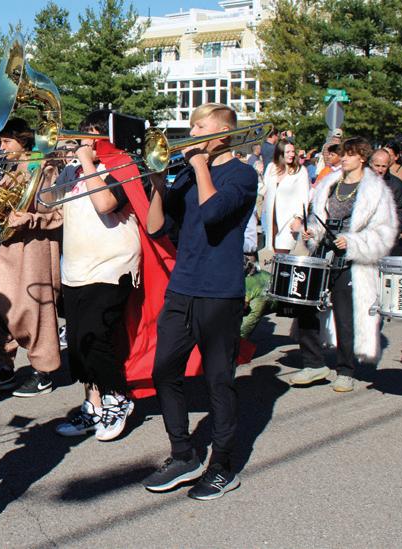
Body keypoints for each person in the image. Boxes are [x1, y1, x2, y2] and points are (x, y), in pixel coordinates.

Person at [143, 103, 257, 500]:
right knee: (164, 370)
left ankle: (223, 466)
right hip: (182, 287)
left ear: (222, 133)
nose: (190, 133)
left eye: (199, 127)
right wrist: (159, 185)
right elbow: (156, 228)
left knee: (218, 380)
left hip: (220, 292)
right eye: (191, 126)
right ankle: (183, 455)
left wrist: (199, 165)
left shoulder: (242, 175)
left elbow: (213, 214)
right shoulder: (190, 175)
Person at [49, 110, 141, 441]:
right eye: (82, 135)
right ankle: (94, 405)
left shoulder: (122, 166)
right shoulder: (72, 170)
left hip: (112, 265)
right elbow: (48, 204)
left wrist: (88, 163)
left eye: (91, 135)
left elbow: (105, 204)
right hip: (76, 267)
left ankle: (118, 397)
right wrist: (47, 170)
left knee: (96, 337)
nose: (83, 142)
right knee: (77, 344)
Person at [289, 138, 397, 392]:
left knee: (345, 315)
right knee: (304, 306)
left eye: (349, 154)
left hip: (352, 258)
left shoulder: (376, 190)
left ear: (362, 157)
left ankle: (345, 370)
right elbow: (318, 219)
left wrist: (352, 241)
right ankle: (313, 363)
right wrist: (311, 232)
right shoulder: (329, 183)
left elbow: (384, 232)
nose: (343, 158)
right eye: (342, 154)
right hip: (322, 252)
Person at [0, 118, 62, 397]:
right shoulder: (13, 167)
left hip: (37, 246)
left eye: (7, 141)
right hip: (11, 244)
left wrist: (32, 219)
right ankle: (3, 368)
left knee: (35, 309)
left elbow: (60, 213)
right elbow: (8, 205)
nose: (2, 147)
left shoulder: (45, 165)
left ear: (23, 141)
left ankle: (43, 371)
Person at [260, 138, 310, 253]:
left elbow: (304, 198)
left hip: (288, 219)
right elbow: (264, 189)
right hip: (272, 218)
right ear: (280, 153)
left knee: (283, 250)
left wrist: (299, 218)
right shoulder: (271, 167)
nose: (291, 154)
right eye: (288, 152)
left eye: (293, 151)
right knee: (273, 252)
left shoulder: (300, 171)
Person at [369, 149, 402, 255]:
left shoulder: (397, 185)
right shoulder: (362, 181)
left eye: (384, 166)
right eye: (377, 166)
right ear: (371, 164)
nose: (380, 170)